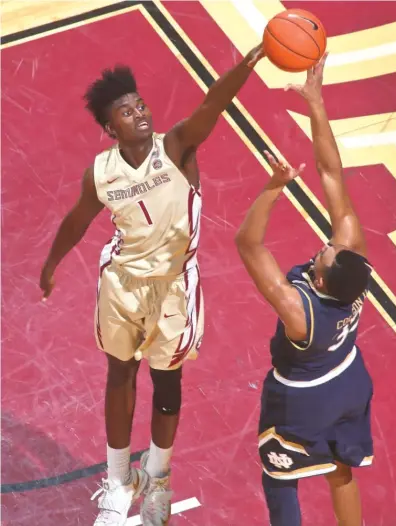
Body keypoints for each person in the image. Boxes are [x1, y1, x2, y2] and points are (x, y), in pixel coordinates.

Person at [39, 45, 264, 526]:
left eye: (140, 104)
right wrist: (52, 263)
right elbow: (77, 221)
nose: (139, 112)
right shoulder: (101, 172)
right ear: (110, 128)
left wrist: (247, 64)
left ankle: (157, 475)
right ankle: (120, 482)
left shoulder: (178, 146)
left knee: (167, 383)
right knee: (118, 375)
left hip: (175, 289)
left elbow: (213, 104)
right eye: (126, 110)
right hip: (122, 285)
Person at [235, 53, 374, 526]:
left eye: (323, 255)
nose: (325, 245)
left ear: (319, 281)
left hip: (305, 396)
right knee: (340, 470)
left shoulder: (300, 311)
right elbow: (332, 174)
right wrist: (316, 103)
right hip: (350, 379)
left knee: (280, 481)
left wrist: (274, 187)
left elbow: (248, 245)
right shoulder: (354, 260)